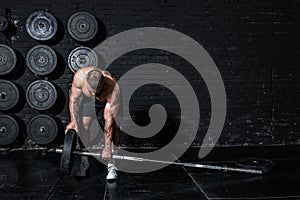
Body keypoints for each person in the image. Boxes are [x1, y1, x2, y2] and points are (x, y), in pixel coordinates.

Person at [65, 66, 121, 180]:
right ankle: (84, 162)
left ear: (102, 84)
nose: (93, 93)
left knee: (114, 126)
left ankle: (111, 164)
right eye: (91, 91)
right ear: (86, 82)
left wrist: (106, 147)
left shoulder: (112, 87)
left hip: (108, 100)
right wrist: (73, 121)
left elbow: (108, 121)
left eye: (96, 91)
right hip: (88, 102)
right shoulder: (79, 78)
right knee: (82, 126)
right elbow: (73, 100)